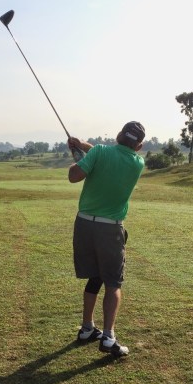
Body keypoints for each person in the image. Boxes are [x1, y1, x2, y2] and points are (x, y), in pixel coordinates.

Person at [67, 121, 145, 357]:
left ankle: (87, 328)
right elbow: (108, 154)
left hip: (84, 224)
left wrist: (78, 156)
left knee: (96, 277)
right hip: (110, 229)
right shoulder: (137, 163)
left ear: (119, 135)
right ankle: (108, 338)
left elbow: (74, 176)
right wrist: (83, 146)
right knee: (113, 284)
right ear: (139, 146)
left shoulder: (100, 151)